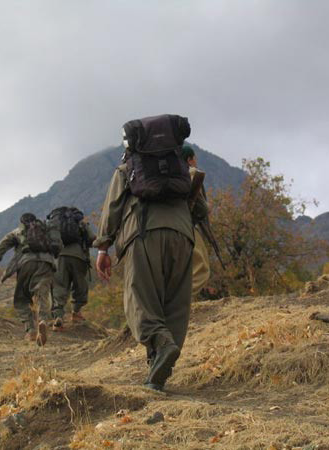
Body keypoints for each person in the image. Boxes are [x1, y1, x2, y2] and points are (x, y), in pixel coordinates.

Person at [94, 114, 194, 392]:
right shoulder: (180, 167)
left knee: (139, 299)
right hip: (184, 236)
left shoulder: (127, 168)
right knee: (175, 303)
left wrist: (103, 247)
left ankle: (161, 346)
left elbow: (112, 206)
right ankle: (158, 369)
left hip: (144, 232)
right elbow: (200, 208)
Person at [0, 212, 62, 346]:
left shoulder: (18, 231)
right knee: (43, 294)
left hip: (26, 263)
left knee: (21, 298)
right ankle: (43, 320)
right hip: (47, 263)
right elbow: (58, 247)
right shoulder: (45, 230)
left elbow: (1, 247)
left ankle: (31, 330)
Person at [49, 207, 96, 329]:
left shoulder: (56, 224)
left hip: (59, 257)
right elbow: (91, 238)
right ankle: (76, 313)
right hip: (78, 256)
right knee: (79, 285)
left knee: (59, 286)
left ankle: (58, 316)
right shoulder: (79, 221)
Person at [182, 146, 211, 296]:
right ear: (189, 159)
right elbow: (202, 209)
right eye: (194, 158)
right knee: (201, 268)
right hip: (184, 225)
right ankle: (179, 302)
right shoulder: (192, 174)